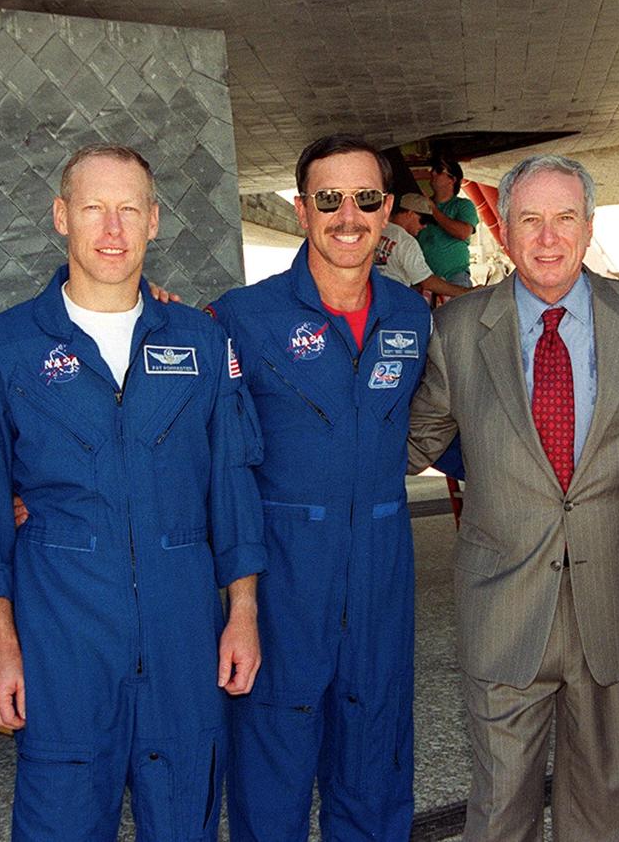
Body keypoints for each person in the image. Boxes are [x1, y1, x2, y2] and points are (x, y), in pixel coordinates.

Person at [0, 145, 266, 840]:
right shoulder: (8, 344)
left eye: (129, 209)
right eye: (93, 208)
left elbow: (231, 483)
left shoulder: (199, 339)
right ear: (60, 216)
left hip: (182, 633)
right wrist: (2, 643)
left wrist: (244, 610)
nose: (112, 228)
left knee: (185, 815)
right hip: (62, 635)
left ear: (154, 221)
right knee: (61, 817)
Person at [408, 153, 619, 841]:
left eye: (565, 218)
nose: (548, 236)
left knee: (614, 808)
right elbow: (405, 442)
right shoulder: (457, 330)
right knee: (500, 811)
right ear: (502, 229)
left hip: (617, 609)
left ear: (589, 225)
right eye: (529, 219)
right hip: (504, 612)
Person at [209, 134, 431, 840]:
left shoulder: (411, 317)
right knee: (270, 789)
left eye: (366, 200)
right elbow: (202, 451)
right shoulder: (242, 318)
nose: (348, 216)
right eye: (328, 199)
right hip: (283, 591)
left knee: (375, 777)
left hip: (381, 590)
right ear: (302, 210)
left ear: (387, 210)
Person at [378, 192, 469, 298]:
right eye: (423, 220)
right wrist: (466, 292)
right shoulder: (406, 242)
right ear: (410, 213)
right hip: (394, 301)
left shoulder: (378, 230)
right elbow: (427, 282)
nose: (425, 226)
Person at [418, 154, 480, 285]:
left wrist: (433, 210)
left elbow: (463, 233)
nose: (433, 173)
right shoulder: (421, 207)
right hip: (424, 279)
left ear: (452, 179)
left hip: (454, 277)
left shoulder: (463, 205)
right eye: (433, 169)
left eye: (439, 170)